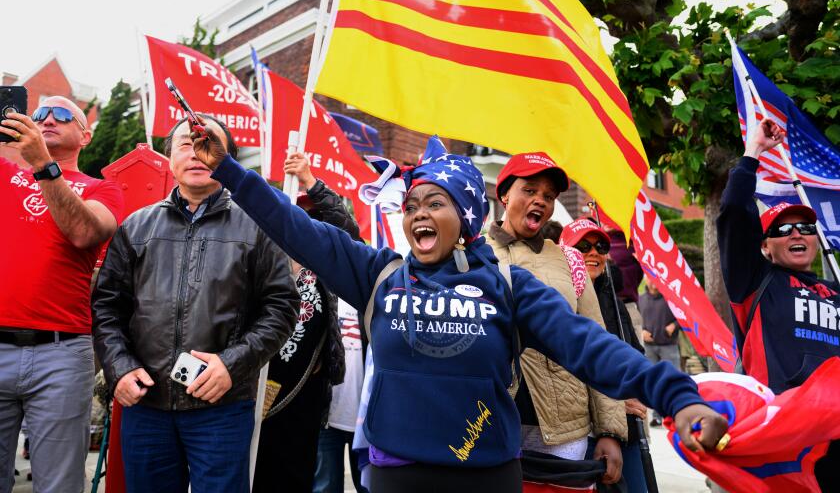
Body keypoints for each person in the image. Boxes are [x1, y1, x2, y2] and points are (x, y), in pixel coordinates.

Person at [192, 127, 728, 493]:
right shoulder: (378, 274)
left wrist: (676, 396)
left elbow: (591, 347)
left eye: (434, 203)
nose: (417, 215)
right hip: (396, 476)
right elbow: (294, 226)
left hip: (487, 475)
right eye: (411, 207)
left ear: (466, 216)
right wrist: (231, 172)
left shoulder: (510, 287)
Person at [91, 116, 299, 493]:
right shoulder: (135, 227)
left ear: (228, 159)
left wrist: (232, 364)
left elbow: (282, 307)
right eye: (187, 144)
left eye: (208, 144)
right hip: (146, 404)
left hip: (221, 405)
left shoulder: (257, 227)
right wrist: (119, 368)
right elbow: (106, 307)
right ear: (169, 157)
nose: (197, 153)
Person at [0, 97, 123, 492]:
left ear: (85, 135)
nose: (47, 119)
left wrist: (41, 165)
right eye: (38, 114)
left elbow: (86, 232)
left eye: (63, 114)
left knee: (58, 484)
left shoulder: (103, 189)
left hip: (61, 353)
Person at [488, 152, 627, 487]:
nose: (540, 201)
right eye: (529, 190)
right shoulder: (470, 254)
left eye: (548, 196)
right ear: (504, 194)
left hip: (566, 429)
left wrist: (610, 431)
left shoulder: (569, 260)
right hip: (490, 422)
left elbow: (597, 344)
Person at [717, 117, 840, 492]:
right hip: (781, 438)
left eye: (805, 227)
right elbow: (735, 214)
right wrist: (752, 153)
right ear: (765, 246)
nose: (797, 233)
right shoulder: (755, 281)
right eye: (783, 230)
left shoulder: (835, 292)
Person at [253, 152, 360, 493]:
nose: (304, 224)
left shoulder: (324, 267)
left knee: (299, 476)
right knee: (256, 471)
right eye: (296, 217)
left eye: (311, 218)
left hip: (306, 393)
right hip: (258, 385)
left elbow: (349, 233)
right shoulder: (261, 262)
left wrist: (310, 181)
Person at [560, 219, 649, 493]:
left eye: (600, 246)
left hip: (626, 431)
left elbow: (635, 358)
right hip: (578, 435)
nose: (594, 253)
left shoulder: (614, 301)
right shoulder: (555, 300)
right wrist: (614, 401)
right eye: (583, 246)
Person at [312, 298, 369, 493]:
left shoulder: (369, 296)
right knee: (324, 487)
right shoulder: (322, 296)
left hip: (366, 423)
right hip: (327, 418)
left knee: (369, 487)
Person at [638, 276, 680, 426]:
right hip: (649, 347)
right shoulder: (640, 299)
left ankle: (676, 413)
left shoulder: (670, 298)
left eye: (654, 278)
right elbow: (636, 319)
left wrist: (674, 326)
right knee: (653, 382)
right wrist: (641, 331)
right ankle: (657, 416)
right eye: (649, 278)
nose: (652, 281)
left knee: (672, 380)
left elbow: (682, 316)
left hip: (669, 345)